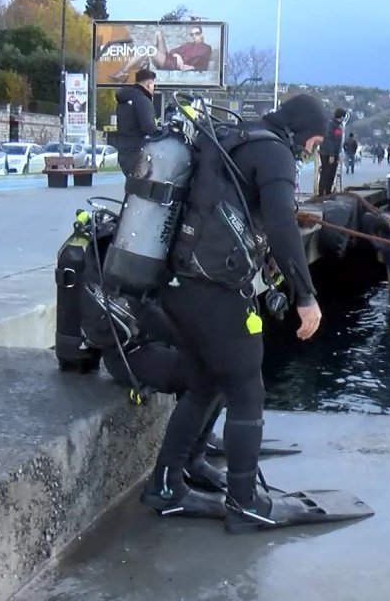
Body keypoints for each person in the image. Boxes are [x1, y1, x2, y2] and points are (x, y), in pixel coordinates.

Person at [142, 93, 328, 531]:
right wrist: (305, 295)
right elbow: (282, 226)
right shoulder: (276, 153)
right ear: (302, 132)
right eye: (314, 143)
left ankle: (168, 482)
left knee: (206, 383)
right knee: (247, 390)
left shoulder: (235, 137)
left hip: (178, 283)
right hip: (215, 287)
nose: (310, 152)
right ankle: (244, 504)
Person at [111, 69, 158, 183]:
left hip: (124, 148)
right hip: (137, 150)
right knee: (142, 186)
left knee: (132, 184)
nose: (154, 88)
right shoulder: (142, 100)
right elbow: (148, 127)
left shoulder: (124, 99)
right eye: (153, 85)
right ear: (148, 84)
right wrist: (159, 132)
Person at [317, 108, 345, 196]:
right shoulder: (331, 125)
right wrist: (331, 154)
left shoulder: (338, 126)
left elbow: (338, 141)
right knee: (326, 172)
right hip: (327, 153)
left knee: (332, 173)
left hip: (335, 153)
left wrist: (339, 153)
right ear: (341, 116)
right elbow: (329, 140)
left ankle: (328, 192)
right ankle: (322, 193)